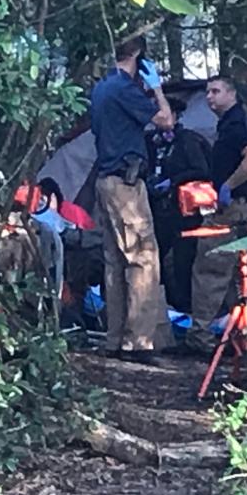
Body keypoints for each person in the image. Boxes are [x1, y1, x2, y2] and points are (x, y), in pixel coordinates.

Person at [90, 36, 172, 363]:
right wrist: (158, 89)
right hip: (125, 185)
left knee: (115, 261)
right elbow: (166, 120)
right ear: (137, 54)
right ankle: (138, 342)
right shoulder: (125, 89)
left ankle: (114, 338)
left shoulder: (101, 88)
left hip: (105, 181)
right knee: (143, 258)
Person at [188, 75, 247, 351]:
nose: (209, 97)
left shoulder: (236, 123)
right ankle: (243, 335)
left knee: (210, 266)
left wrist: (229, 186)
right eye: (207, 92)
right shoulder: (237, 122)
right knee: (238, 274)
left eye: (215, 91)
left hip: (234, 208)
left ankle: (201, 336)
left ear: (231, 94)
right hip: (243, 206)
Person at [145, 97, 211, 314]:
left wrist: (173, 182)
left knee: (184, 261)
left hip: (185, 213)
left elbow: (202, 171)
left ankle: (188, 309)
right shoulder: (149, 141)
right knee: (154, 258)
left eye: (164, 113)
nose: (159, 118)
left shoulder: (188, 141)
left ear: (175, 116)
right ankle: (161, 307)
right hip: (156, 210)